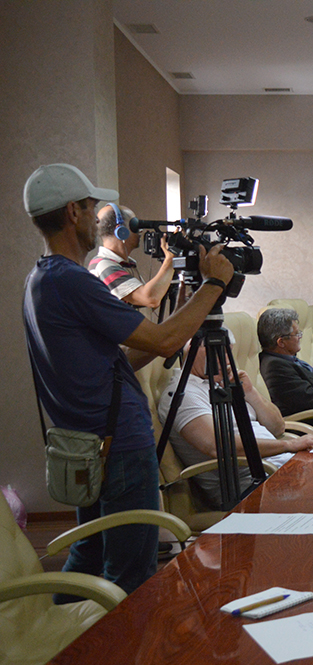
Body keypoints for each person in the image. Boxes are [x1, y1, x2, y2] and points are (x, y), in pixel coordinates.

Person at [22, 163, 234, 597]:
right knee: (131, 575)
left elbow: (118, 357)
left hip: (87, 443)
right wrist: (214, 285)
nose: (99, 218)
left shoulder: (40, 279)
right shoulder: (74, 282)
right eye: (91, 207)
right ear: (72, 214)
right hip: (118, 446)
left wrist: (178, 327)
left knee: (90, 557)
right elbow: (160, 340)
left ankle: (70, 645)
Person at [158, 336, 313, 509]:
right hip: (250, 485)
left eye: (228, 352)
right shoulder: (183, 394)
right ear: (192, 350)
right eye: (217, 351)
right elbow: (218, 446)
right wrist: (289, 445)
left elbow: (277, 426)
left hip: (278, 468)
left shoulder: (220, 384)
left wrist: (251, 393)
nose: (227, 359)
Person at [88, 203, 176, 310]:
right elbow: (150, 299)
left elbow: (145, 300)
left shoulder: (125, 264)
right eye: (135, 226)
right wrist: (170, 259)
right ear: (121, 231)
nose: (140, 231)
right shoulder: (103, 265)